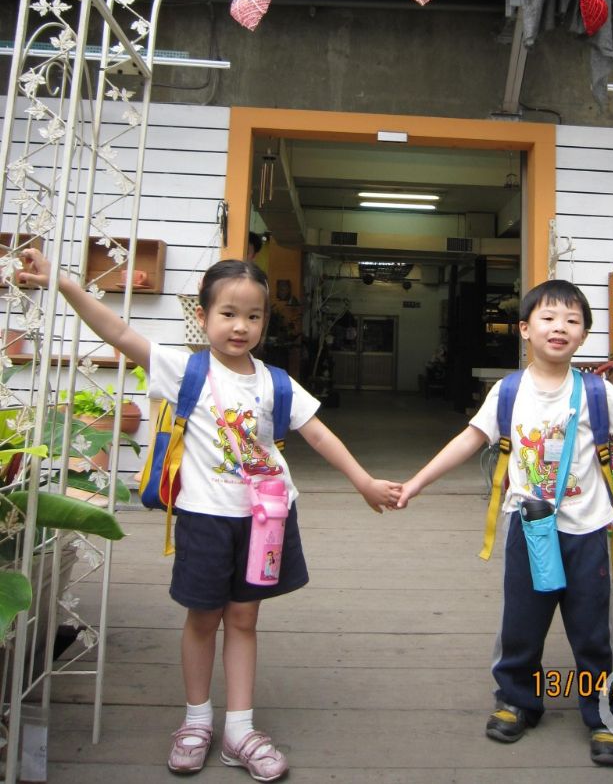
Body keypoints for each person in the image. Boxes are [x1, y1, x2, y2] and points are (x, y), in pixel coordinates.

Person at [18, 248, 401, 782]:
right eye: (228, 313)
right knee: (202, 620)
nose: (241, 326)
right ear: (203, 315)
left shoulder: (275, 382)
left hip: (265, 522)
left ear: (264, 321)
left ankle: (240, 729)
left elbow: (316, 432)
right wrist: (62, 283)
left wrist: (363, 481)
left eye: (253, 316)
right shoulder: (183, 369)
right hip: (204, 520)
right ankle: (196, 721)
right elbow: (118, 332)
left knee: (244, 620)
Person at [397, 279, 613, 768]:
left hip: (587, 532)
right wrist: (416, 482)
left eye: (572, 320)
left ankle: (608, 716)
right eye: (547, 318)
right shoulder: (509, 391)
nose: (559, 327)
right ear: (525, 329)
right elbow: (469, 439)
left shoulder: (595, 391)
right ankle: (517, 700)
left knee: (592, 632)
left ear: (583, 335)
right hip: (529, 531)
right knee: (520, 625)